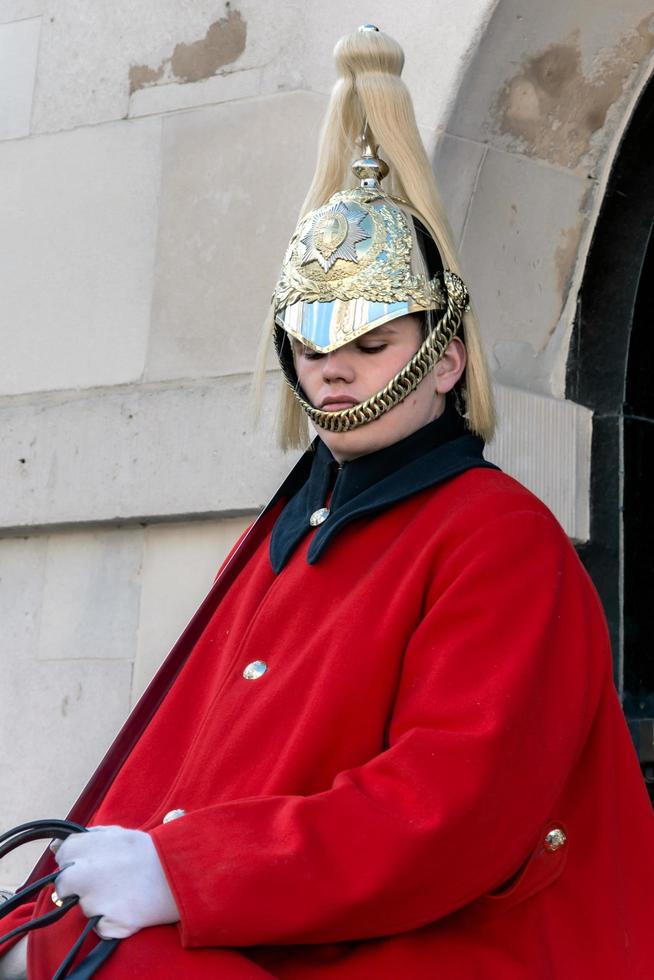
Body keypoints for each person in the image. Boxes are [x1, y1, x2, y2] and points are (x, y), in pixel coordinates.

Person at [2, 24, 653, 980]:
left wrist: (187, 874)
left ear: (446, 361)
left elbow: (448, 810)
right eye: (311, 348)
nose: (335, 369)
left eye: (371, 343)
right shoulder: (295, 525)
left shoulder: (499, 535)